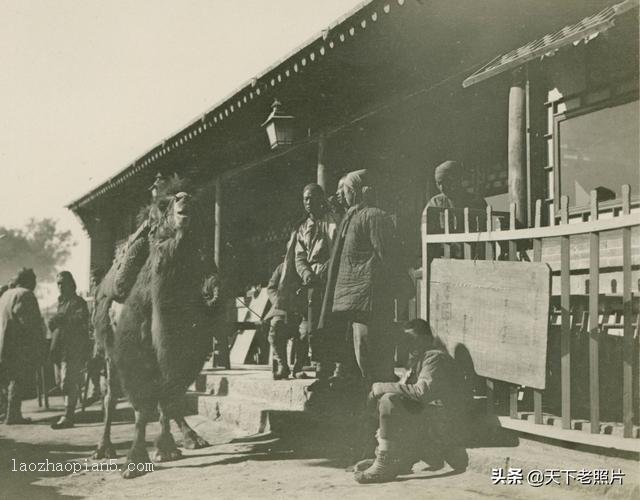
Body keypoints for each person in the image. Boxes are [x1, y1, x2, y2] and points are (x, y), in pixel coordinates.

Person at [354, 319, 470, 483]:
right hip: (432, 421)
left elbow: (420, 392)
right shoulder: (418, 359)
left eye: (413, 339)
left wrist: (381, 387)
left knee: (389, 400)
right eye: (405, 340)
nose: (408, 344)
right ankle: (389, 458)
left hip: (445, 425)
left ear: (426, 339)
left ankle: (385, 463)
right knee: (386, 400)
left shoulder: (434, 357)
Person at [319, 169, 399, 387]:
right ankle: (375, 392)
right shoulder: (371, 215)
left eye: (345, 191)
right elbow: (389, 257)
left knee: (365, 348)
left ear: (354, 192)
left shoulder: (357, 217)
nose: (342, 196)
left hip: (361, 297)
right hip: (367, 297)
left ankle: (372, 390)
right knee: (371, 351)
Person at [294, 183, 339, 379]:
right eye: (305, 199)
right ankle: (318, 362)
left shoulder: (333, 222)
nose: (309, 202)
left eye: (312, 198)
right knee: (312, 326)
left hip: (331, 279)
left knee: (330, 323)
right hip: (311, 281)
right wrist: (306, 273)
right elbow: (299, 256)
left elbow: (338, 249)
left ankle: (332, 365)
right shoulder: (303, 228)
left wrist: (326, 269)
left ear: (321, 199)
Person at [0, 268, 45, 424]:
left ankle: (8, 413)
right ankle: (13, 416)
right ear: (28, 281)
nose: (35, 284)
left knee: (6, 381)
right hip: (16, 346)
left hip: (2, 344)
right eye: (34, 280)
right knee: (17, 379)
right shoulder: (25, 294)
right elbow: (28, 323)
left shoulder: (6, 294)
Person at [49, 271, 90, 429]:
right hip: (59, 348)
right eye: (58, 283)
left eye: (62, 283)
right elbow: (55, 323)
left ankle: (68, 416)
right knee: (61, 382)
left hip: (72, 348)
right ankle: (67, 413)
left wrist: (62, 320)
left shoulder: (78, 302)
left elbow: (81, 320)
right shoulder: (61, 302)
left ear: (70, 284)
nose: (60, 286)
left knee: (68, 382)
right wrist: (53, 322)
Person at [426, 160, 487, 258]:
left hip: (472, 254)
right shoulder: (435, 202)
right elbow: (427, 231)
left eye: (446, 182)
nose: (442, 187)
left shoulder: (476, 202)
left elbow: (484, 230)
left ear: (458, 179)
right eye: (439, 183)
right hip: (445, 255)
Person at [264, 253, 303, 380]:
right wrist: (278, 300)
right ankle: (283, 366)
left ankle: (298, 368)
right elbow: (271, 287)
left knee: (304, 334)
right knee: (275, 331)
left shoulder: (303, 268)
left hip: (300, 310)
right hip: (281, 309)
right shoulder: (281, 268)